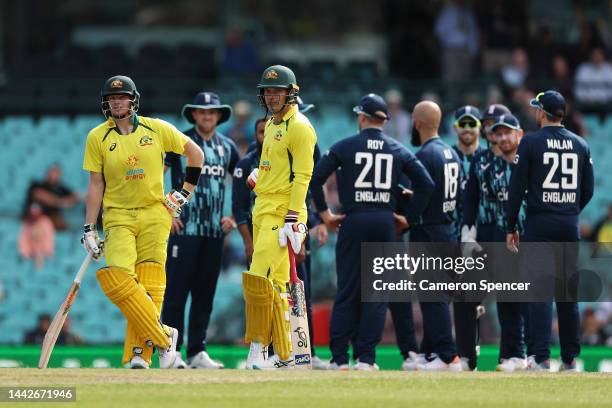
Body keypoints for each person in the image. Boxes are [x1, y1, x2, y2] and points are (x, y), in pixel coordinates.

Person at [82, 75, 204, 369]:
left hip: (154, 213)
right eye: (112, 99)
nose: (116, 102)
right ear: (105, 103)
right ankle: (165, 338)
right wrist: (89, 228)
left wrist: (183, 194)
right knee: (120, 281)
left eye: (122, 97)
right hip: (118, 216)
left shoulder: (157, 128)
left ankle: (140, 354)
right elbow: (96, 184)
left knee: (151, 287)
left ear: (133, 100)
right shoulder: (97, 137)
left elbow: (196, 155)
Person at [310, 94, 434, 370]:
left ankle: (340, 359)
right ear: (383, 121)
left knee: (348, 291)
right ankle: (365, 359)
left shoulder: (344, 146)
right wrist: (408, 219)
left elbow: (315, 178)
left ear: (362, 117)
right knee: (378, 294)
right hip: (384, 221)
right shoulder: (397, 149)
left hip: (353, 220)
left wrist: (325, 214)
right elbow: (426, 184)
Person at [506, 90, 594, 371]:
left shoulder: (530, 142)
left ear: (542, 113)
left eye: (537, 109)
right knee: (568, 295)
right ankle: (569, 358)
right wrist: (568, 210)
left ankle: (541, 357)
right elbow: (588, 190)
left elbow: (516, 188)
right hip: (568, 224)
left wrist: (511, 225)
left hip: (540, 223)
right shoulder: (581, 144)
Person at [242, 65, 317, 369]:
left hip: (282, 212)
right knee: (274, 284)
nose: (272, 96)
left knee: (258, 278)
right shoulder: (271, 124)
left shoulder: (300, 126)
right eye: (268, 91)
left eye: (277, 91)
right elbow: (274, 166)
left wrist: (293, 218)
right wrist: (260, 176)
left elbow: (303, 175)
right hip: (262, 207)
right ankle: (284, 354)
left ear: (291, 93)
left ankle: (259, 348)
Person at [162, 91, 240, 369]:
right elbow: (154, 173)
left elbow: (245, 182)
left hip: (214, 232)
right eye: (202, 111)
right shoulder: (179, 143)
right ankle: (170, 351)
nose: (207, 116)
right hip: (184, 229)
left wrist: (234, 216)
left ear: (219, 115)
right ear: (193, 114)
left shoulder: (227, 147)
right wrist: (165, 210)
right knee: (175, 293)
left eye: (212, 112)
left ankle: (197, 351)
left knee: (205, 294)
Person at [407, 100, 462, 371]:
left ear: (417, 123)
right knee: (436, 294)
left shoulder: (425, 155)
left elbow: (423, 193)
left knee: (432, 294)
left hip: (428, 231)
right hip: (448, 230)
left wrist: (407, 216)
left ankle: (446, 354)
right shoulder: (451, 152)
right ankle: (429, 351)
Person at [486, 114, 527, 372]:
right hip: (505, 241)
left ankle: (532, 353)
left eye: (507, 132)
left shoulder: (532, 164)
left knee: (531, 300)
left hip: (532, 239)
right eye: (498, 133)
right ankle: (513, 354)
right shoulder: (491, 170)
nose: (502, 138)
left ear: (519, 134)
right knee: (506, 299)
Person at [450, 105, 486, 371]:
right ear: (455, 128)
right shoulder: (446, 156)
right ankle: (460, 355)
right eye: (462, 124)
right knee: (454, 298)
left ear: (479, 128)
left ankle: (471, 353)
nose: (467, 129)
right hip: (450, 237)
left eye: (471, 124)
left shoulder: (487, 158)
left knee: (474, 300)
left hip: (480, 239)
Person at [23, 164, 80, 231]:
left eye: (57, 173)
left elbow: (75, 197)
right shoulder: (37, 184)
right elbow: (40, 195)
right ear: (47, 173)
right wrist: (61, 202)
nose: (54, 175)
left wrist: (68, 201)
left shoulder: (61, 188)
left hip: (52, 218)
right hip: (36, 216)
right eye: (53, 172)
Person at [18, 203, 55, 269]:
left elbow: (49, 239)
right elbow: (23, 240)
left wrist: (45, 252)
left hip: (43, 254)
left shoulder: (46, 222)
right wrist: (25, 253)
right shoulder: (27, 223)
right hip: (30, 254)